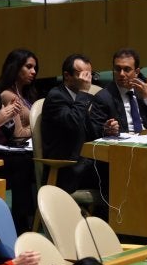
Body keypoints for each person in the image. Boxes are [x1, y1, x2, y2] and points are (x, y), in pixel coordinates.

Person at [41, 54, 105, 194]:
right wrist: (83, 93)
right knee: (113, 174)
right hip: (66, 168)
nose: (87, 80)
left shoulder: (80, 97)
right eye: (82, 74)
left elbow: (89, 133)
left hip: (83, 163)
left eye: (90, 74)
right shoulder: (56, 96)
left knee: (120, 167)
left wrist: (106, 129)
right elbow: (73, 123)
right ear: (67, 76)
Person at [0, 48, 40, 233]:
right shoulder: (9, 95)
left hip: (29, 149)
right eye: (28, 67)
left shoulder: (27, 94)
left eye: (35, 68)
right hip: (12, 153)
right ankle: (25, 222)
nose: (33, 72)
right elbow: (18, 133)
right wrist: (40, 127)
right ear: (15, 68)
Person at [90, 48, 147, 138]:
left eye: (127, 69)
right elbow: (94, 130)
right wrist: (106, 129)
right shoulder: (104, 97)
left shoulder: (141, 91)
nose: (121, 74)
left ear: (136, 72)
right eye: (118, 69)